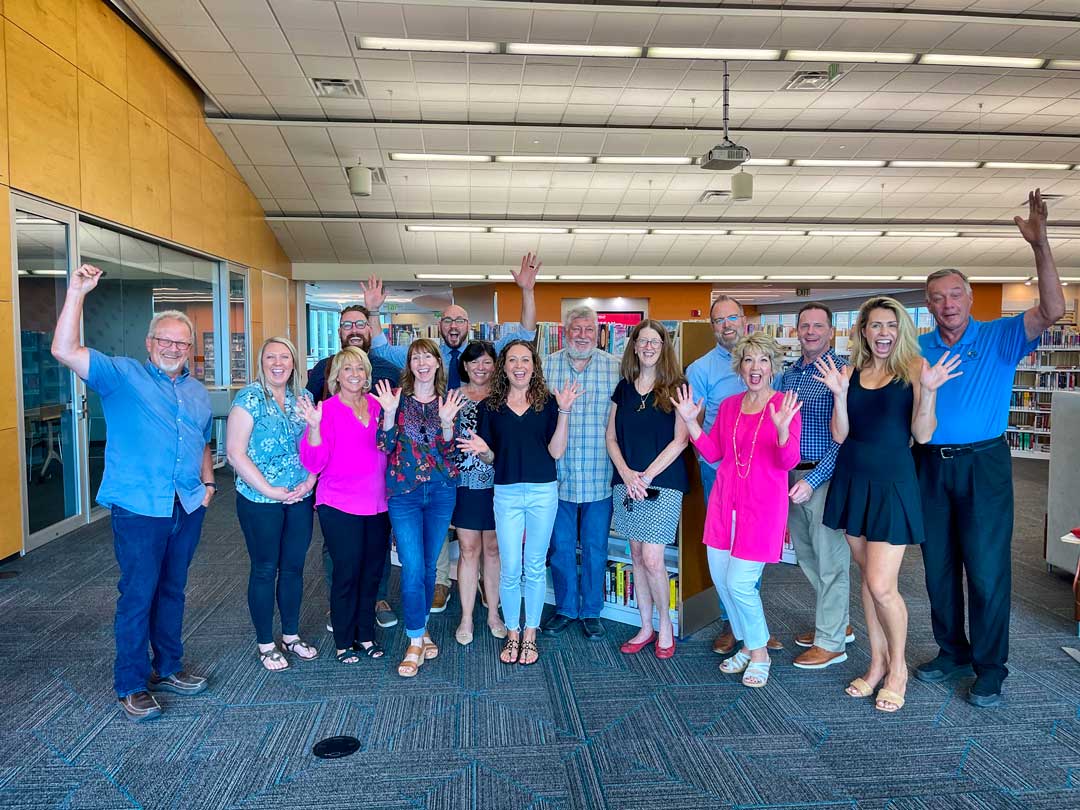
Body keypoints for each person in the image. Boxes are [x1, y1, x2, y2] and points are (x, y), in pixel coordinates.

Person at [915, 189, 1066, 708]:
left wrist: (1040, 246)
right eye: (937, 297)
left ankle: (990, 666)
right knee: (936, 567)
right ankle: (950, 651)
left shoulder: (1002, 336)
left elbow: (1053, 308)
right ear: (928, 303)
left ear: (969, 298)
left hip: (985, 465)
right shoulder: (917, 347)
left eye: (955, 294)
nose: (947, 304)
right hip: (929, 466)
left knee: (985, 568)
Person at [51, 264, 213, 722]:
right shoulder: (120, 375)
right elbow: (63, 348)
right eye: (165, 339)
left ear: (189, 349)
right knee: (138, 593)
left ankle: (169, 667)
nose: (173, 348)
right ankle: (131, 683)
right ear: (149, 343)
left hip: (186, 504)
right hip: (140, 507)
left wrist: (206, 485)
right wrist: (77, 292)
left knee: (174, 590)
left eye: (181, 342)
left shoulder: (198, 392)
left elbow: (202, 440)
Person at [363, 255, 540, 613]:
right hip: (437, 463)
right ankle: (442, 581)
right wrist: (373, 313)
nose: (454, 324)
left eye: (460, 319)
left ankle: (482, 589)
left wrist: (527, 290)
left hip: (481, 461)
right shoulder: (427, 355)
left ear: (468, 325)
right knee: (443, 531)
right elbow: (381, 347)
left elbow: (526, 333)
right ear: (439, 325)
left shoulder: (482, 355)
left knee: (481, 538)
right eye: (448, 319)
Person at [818, 296, 961, 713]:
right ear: (863, 330)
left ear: (901, 331)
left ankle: (897, 668)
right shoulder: (850, 371)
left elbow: (924, 434)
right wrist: (840, 396)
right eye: (876, 325)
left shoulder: (915, 369)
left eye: (891, 326)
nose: (884, 333)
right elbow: (841, 435)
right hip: (852, 478)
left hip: (893, 483)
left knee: (882, 585)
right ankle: (877, 661)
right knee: (867, 578)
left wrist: (929, 394)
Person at [673, 333, 802, 689]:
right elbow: (713, 454)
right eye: (748, 360)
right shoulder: (729, 405)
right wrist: (691, 422)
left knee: (740, 583)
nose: (755, 367)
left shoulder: (785, 405)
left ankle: (759, 651)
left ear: (773, 367)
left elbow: (788, 460)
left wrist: (781, 431)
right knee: (722, 582)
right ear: (740, 367)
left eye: (763, 360)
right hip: (724, 503)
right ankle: (747, 644)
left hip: (762, 509)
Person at [458, 340, 581, 666]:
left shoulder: (549, 403)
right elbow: (491, 458)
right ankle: (511, 631)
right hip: (507, 493)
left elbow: (556, 452)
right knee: (511, 568)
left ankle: (530, 634)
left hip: (543, 493)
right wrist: (482, 450)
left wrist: (565, 411)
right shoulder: (491, 407)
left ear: (533, 365)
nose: (518, 365)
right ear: (505, 367)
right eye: (512, 359)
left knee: (534, 567)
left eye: (525, 359)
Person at [686, 296, 779, 656]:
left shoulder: (771, 375)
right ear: (712, 326)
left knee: (748, 559)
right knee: (726, 561)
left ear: (743, 320)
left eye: (732, 317)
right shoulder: (702, 370)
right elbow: (702, 430)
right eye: (719, 320)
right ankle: (736, 625)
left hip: (762, 479)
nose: (727, 324)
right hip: (720, 474)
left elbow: (783, 445)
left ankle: (752, 628)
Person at [306, 304, 401, 632]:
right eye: (348, 324)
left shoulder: (388, 369)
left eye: (361, 323)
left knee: (375, 548)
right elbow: (309, 416)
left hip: (375, 488)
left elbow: (391, 436)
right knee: (339, 550)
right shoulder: (322, 369)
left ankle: (377, 599)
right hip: (336, 487)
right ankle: (340, 603)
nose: (355, 329)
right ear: (339, 331)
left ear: (370, 329)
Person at [226, 337, 318, 671]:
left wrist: (310, 480)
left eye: (284, 357)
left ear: (294, 362)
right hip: (259, 498)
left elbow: (314, 443)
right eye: (270, 357)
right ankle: (266, 643)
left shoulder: (303, 398)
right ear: (261, 361)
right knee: (265, 569)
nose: (277, 363)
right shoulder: (248, 398)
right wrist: (269, 488)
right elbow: (235, 453)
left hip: (300, 497)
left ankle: (290, 636)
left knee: (294, 568)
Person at [374, 339, 464, 677]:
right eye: (416, 357)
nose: (422, 362)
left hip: (441, 492)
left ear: (439, 363)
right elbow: (384, 446)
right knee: (412, 567)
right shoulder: (397, 400)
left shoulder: (451, 401)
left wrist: (445, 422)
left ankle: (421, 628)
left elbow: (454, 455)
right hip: (405, 494)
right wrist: (387, 413)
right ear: (410, 364)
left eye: (428, 357)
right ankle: (414, 641)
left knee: (428, 567)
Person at [298, 347, 391, 664]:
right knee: (347, 573)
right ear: (336, 376)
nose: (355, 374)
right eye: (347, 369)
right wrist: (313, 428)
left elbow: (392, 450)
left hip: (378, 505)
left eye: (360, 369)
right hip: (338, 504)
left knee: (372, 574)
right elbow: (313, 460)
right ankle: (343, 640)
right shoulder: (327, 410)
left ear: (368, 375)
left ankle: (365, 635)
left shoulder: (380, 407)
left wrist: (391, 417)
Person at [775, 303, 855, 670]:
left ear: (832, 331)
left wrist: (813, 478)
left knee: (831, 561)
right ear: (796, 331)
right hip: (789, 477)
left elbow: (845, 438)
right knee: (807, 557)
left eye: (818, 325)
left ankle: (831, 642)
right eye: (804, 325)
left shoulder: (843, 373)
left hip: (822, 478)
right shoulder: (789, 375)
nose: (810, 331)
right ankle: (836, 623)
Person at [607, 321, 689, 659]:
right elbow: (611, 437)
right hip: (626, 483)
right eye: (643, 341)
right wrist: (627, 474)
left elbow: (681, 440)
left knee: (654, 559)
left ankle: (666, 626)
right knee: (636, 556)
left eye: (655, 341)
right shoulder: (623, 388)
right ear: (635, 346)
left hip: (663, 484)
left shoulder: (677, 386)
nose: (649, 347)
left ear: (664, 346)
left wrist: (646, 476)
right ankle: (645, 626)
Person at [542, 305, 621, 640]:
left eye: (589, 329)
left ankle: (591, 610)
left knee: (595, 548)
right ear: (565, 330)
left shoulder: (615, 368)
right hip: (557, 476)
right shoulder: (546, 366)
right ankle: (565, 608)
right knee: (559, 548)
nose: (583, 335)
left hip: (600, 476)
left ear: (598, 332)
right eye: (576, 329)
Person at [451, 341, 507, 645]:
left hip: (500, 484)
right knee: (468, 549)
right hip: (466, 485)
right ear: (465, 366)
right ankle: (467, 617)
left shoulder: (504, 397)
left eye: (486, 362)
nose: (480, 368)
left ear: (495, 365)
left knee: (493, 550)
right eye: (474, 363)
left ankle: (493, 614)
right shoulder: (453, 397)